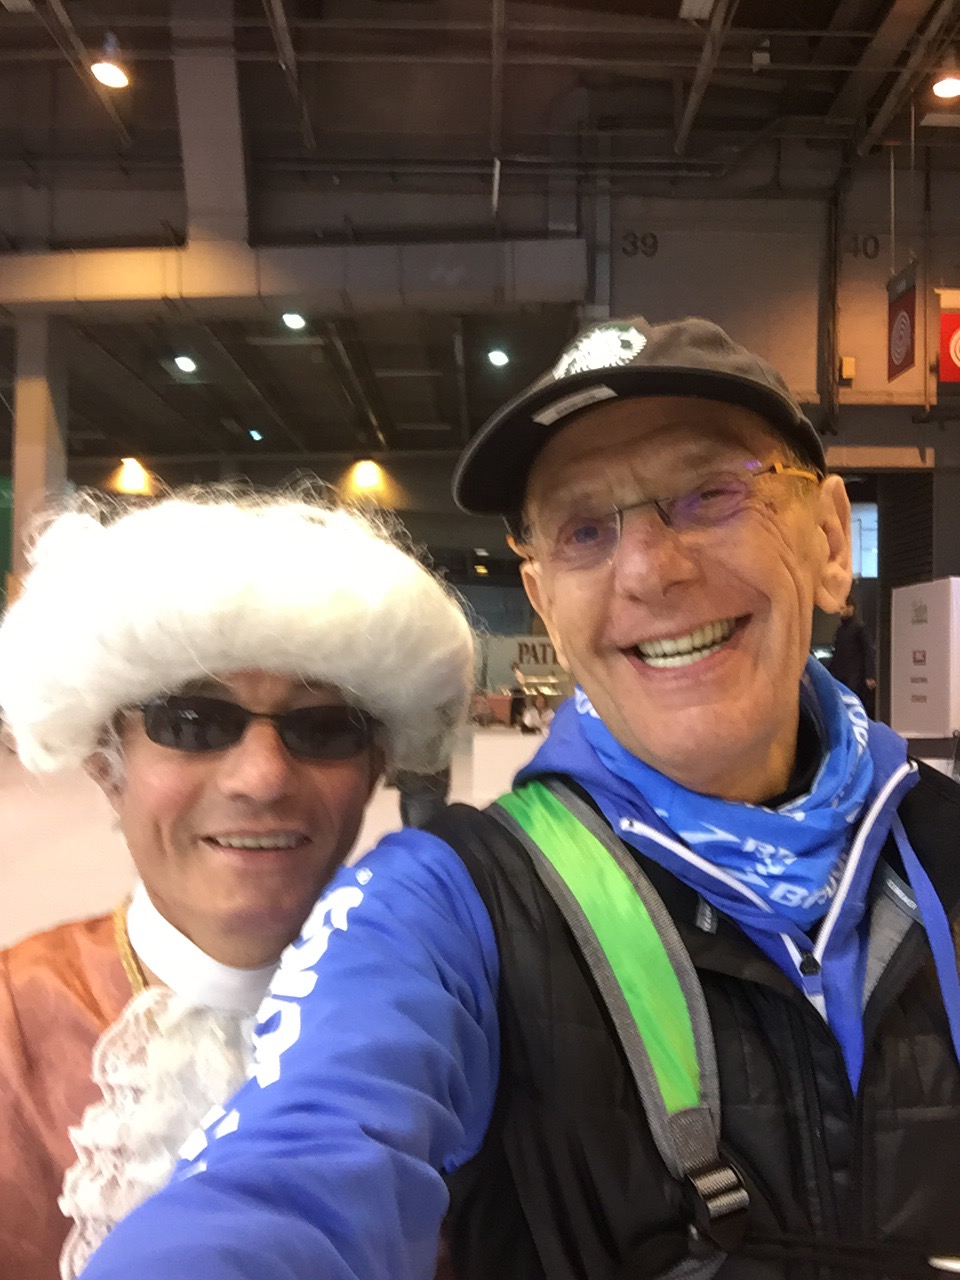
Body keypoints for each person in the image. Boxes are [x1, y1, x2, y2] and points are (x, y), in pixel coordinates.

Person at [81, 318, 960, 1280]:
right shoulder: (451, 902)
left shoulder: (941, 844)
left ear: (829, 539)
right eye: (585, 530)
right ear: (543, 600)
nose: (648, 568)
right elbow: (296, 1167)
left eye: (709, 494)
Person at [0, 486, 473, 1280]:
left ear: (374, 768)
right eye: (194, 722)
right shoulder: (13, 1027)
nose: (262, 778)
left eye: (323, 727)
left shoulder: (463, 1021)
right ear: (108, 764)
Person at [827, 596, 877, 717]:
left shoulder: (860, 628)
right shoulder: (840, 630)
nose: (841, 611)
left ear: (851, 608)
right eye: (840, 609)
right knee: (842, 702)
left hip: (855, 675)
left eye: (843, 608)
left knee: (853, 702)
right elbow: (836, 653)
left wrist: (870, 675)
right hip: (841, 673)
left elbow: (868, 651)